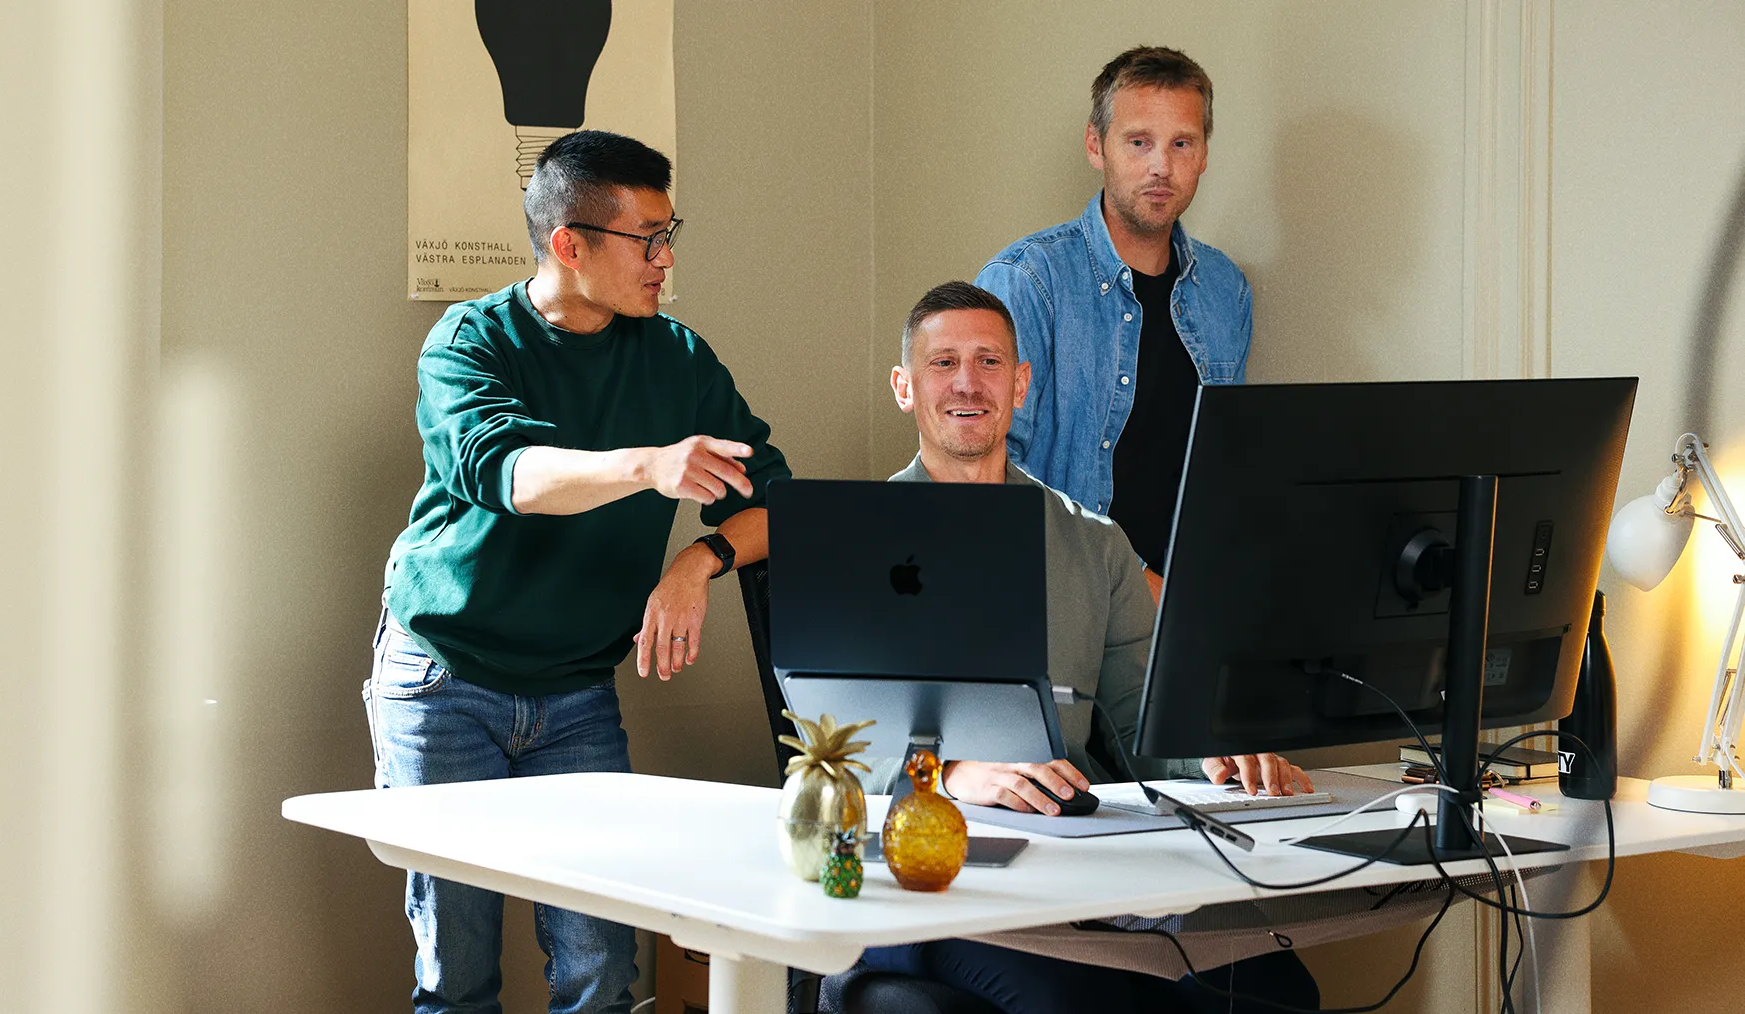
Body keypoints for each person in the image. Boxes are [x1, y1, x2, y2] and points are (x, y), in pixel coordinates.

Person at [367, 130, 789, 1014]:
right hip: (446, 679)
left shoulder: (677, 358)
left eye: (670, 235)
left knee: (600, 970)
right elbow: (510, 476)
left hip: (576, 695)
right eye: (648, 240)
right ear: (570, 243)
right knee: (457, 976)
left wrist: (699, 560)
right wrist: (648, 466)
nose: (666, 260)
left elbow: (778, 504)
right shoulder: (469, 341)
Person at [860, 281, 1317, 1014]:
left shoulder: (1095, 544)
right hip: (927, 871)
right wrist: (949, 774)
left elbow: (1140, 722)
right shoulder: (854, 537)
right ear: (904, 386)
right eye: (944, 363)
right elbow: (826, 750)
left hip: (1073, 865)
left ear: (1020, 383)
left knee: (1276, 988)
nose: (968, 383)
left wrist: (1208, 752)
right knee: (1081, 1002)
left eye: (989, 362)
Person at [976, 46, 1250, 602]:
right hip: (1061, 605)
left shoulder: (1225, 290)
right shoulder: (1028, 281)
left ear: (1203, 154)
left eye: (1181, 143)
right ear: (1095, 145)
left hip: (1191, 602)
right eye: (1139, 142)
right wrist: (1137, 587)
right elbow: (992, 476)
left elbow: (1224, 467)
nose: (1161, 166)